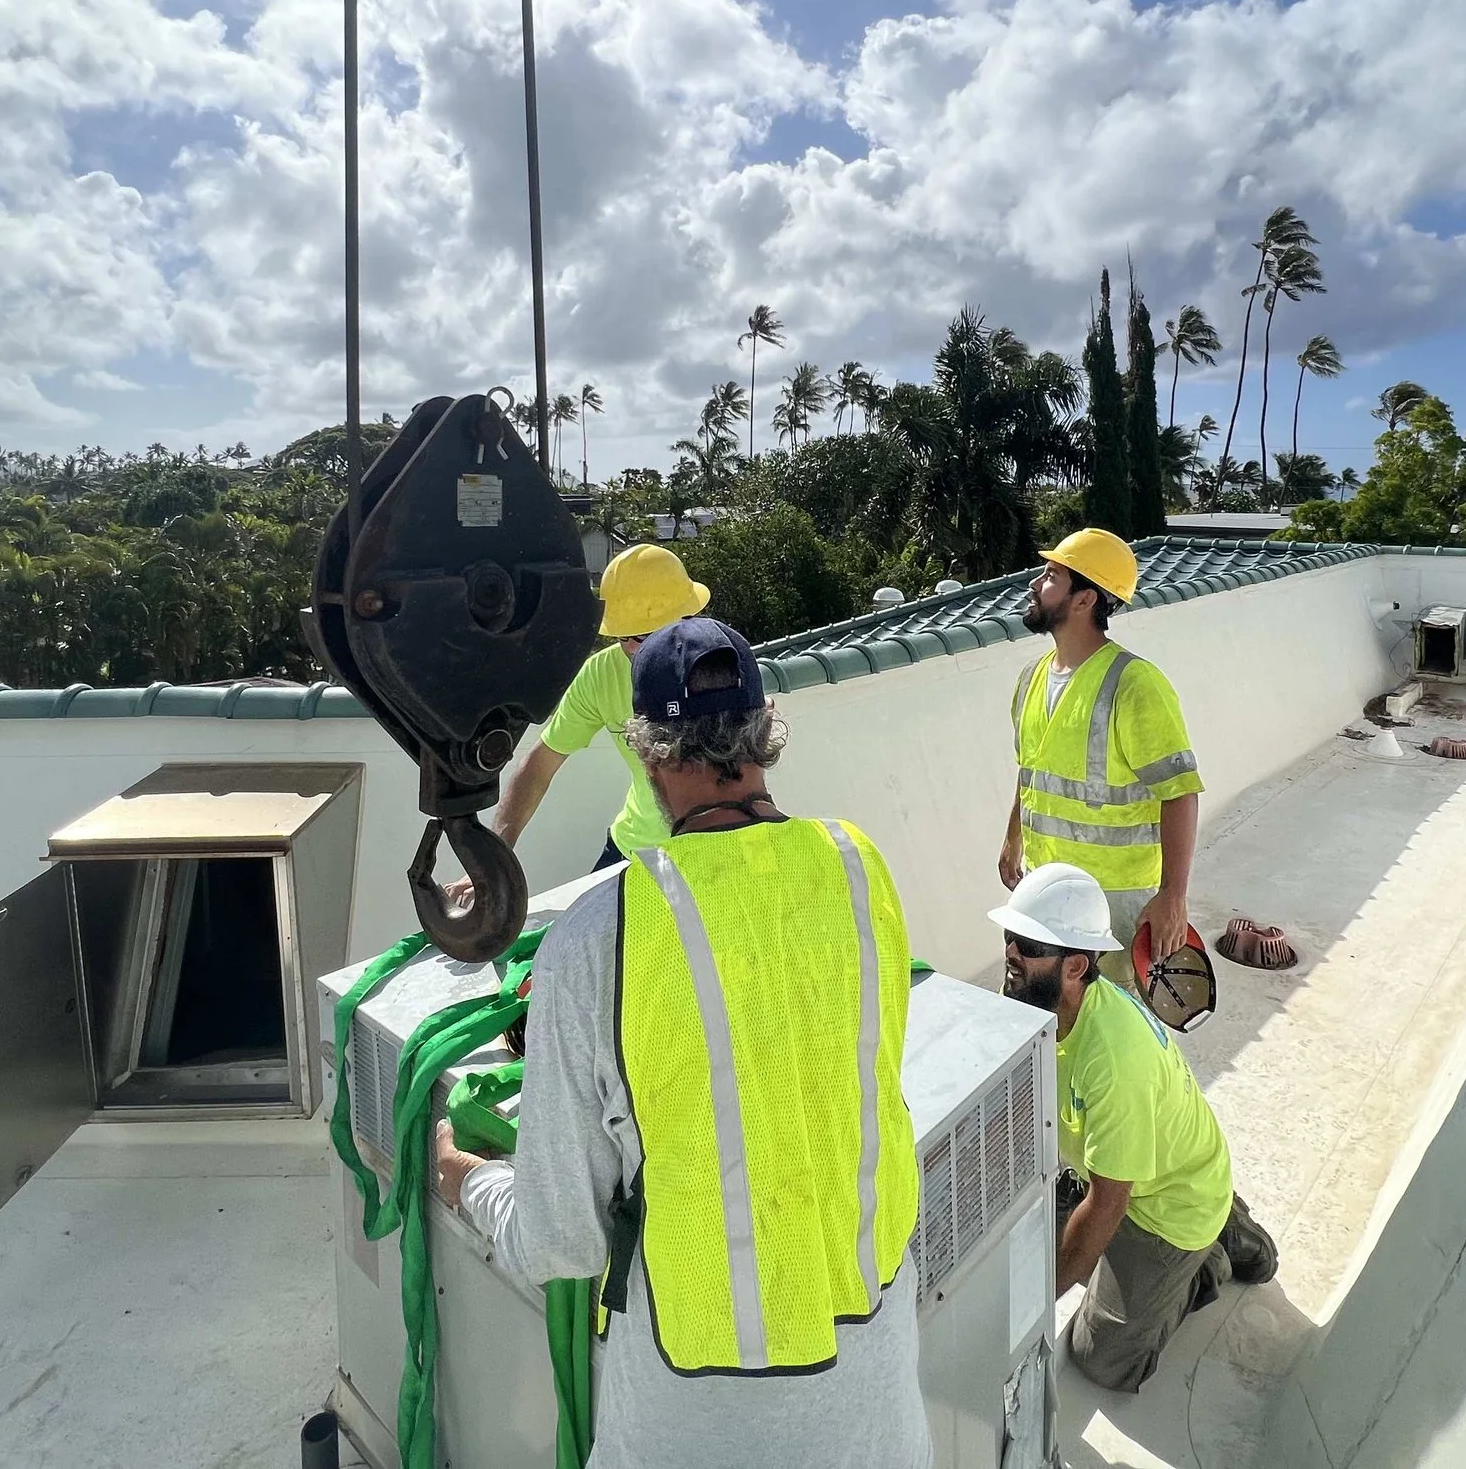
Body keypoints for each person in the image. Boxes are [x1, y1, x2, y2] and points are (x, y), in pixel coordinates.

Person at [435, 617, 929, 1469]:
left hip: (697, 1420)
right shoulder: (860, 865)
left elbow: (564, 1240)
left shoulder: (598, 935)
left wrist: (464, 1180)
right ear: (762, 735)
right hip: (879, 1403)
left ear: (650, 754)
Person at [992, 862, 1276, 1394]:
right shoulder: (1037, 997)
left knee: (1098, 1360)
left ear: (1075, 966)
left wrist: (1038, 1301)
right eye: (1010, 935)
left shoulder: (1115, 1061)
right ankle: (1217, 1219)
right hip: (1134, 1161)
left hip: (1165, 1206)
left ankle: (1205, 1257)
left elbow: (1107, 1204)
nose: (1010, 953)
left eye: (1028, 946)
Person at [1001, 528, 1205, 970]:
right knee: (1037, 1012)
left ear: (1084, 599)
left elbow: (1179, 792)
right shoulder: (1030, 679)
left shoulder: (1135, 684)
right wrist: (1012, 840)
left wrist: (1173, 895)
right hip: (1042, 886)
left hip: (1111, 901)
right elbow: (1030, 772)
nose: (1036, 584)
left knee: (1102, 1015)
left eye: (1052, 575)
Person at [491, 542, 712, 874]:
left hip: (708, 853)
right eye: (624, 637)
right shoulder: (601, 674)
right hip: (632, 848)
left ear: (688, 618)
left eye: (645, 635)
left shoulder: (721, 668)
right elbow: (541, 763)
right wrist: (494, 857)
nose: (634, 649)